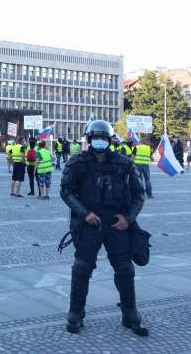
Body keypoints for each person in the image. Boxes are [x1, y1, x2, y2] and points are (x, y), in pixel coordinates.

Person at [60, 119, 147, 336]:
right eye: (96, 138)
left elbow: (139, 194)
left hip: (117, 223)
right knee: (81, 267)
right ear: (89, 140)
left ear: (110, 140)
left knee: (125, 268)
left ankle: (129, 313)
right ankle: (76, 313)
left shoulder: (124, 163)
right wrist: (85, 213)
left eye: (103, 138)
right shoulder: (77, 162)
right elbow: (66, 192)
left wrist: (128, 218)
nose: (99, 141)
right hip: (90, 222)